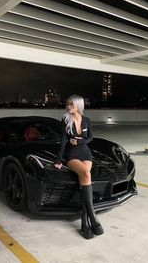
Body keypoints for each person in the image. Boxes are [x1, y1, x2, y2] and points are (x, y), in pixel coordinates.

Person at [54, 95, 104, 239]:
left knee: (85, 174)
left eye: (71, 104)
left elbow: (91, 137)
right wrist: (59, 159)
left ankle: (85, 223)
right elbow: (63, 140)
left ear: (79, 106)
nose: (69, 107)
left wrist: (81, 142)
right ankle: (93, 219)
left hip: (85, 153)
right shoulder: (65, 120)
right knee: (86, 174)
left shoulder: (87, 120)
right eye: (68, 104)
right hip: (72, 154)